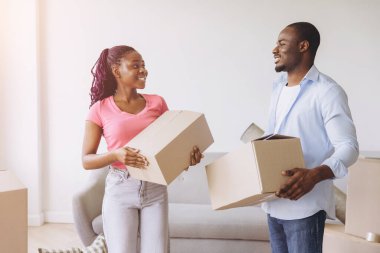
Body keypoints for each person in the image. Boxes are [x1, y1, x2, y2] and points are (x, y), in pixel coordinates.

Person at [81, 45, 203, 253]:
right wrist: (115, 154)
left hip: (155, 188)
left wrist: (187, 158)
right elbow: (86, 160)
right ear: (117, 70)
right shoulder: (99, 109)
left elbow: (170, 148)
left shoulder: (157, 102)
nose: (143, 70)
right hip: (120, 189)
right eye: (135, 65)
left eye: (144, 65)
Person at [262, 22, 359, 253]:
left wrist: (315, 175)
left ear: (303, 46)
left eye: (282, 44)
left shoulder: (327, 91)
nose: (274, 49)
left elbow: (349, 147)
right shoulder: (278, 88)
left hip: (305, 208)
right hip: (273, 205)